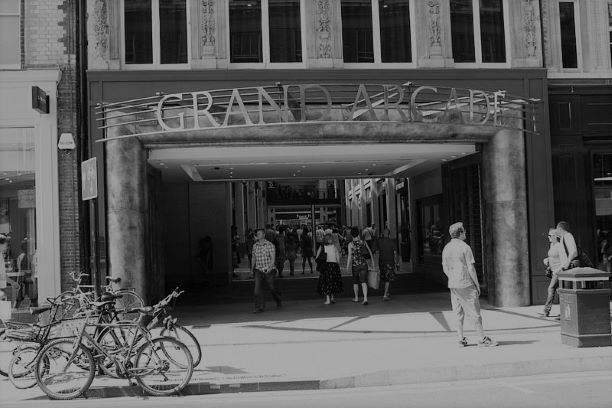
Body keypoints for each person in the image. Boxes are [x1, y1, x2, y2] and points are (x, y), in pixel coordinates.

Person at [442, 222, 498, 347]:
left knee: (458, 312)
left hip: (453, 284)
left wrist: (452, 277)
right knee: (474, 312)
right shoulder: (465, 247)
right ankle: (482, 338)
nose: (466, 233)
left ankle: (460, 338)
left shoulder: (447, 248)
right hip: (466, 282)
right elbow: (471, 268)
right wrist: (477, 285)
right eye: (464, 231)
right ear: (460, 233)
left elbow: (445, 267)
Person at [251, 228, 281, 313]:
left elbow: (272, 258)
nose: (258, 235)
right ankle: (259, 307)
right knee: (257, 290)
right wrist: (251, 268)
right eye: (257, 234)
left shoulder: (270, 245)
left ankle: (278, 299)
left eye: (259, 233)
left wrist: (269, 268)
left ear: (264, 235)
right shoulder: (255, 246)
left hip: (269, 269)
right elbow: (253, 258)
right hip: (258, 270)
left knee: (272, 288)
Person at [539, 228, 567, 318]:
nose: (548, 237)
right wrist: (547, 260)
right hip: (553, 271)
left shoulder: (560, 246)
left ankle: (546, 311)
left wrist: (559, 270)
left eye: (550, 235)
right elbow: (552, 256)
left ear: (555, 236)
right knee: (560, 291)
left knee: (551, 289)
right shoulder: (552, 245)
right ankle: (564, 311)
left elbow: (564, 260)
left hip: (558, 272)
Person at [346, 227, 374, 305]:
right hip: (363, 264)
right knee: (363, 281)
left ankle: (356, 298)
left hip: (355, 265)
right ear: (358, 234)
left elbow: (349, 256)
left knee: (355, 282)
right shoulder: (363, 242)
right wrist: (373, 263)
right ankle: (365, 298)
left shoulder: (350, 244)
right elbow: (370, 252)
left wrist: (347, 266)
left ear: (351, 235)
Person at [316, 233, 343, 304]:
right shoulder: (334, 247)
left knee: (326, 282)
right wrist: (338, 265)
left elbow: (317, 257)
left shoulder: (322, 247)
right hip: (334, 266)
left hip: (326, 266)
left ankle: (328, 299)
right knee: (333, 282)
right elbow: (338, 257)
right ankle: (332, 297)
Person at [377, 228, 399, 301]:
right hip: (389, 262)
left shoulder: (380, 241)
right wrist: (397, 262)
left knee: (384, 278)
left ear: (383, 233)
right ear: (389, 234)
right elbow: (395, 254)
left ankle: (387, 292)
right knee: (388, 279)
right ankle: (385, 295)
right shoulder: (392, 242)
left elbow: (376, 251)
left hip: (381, 262)